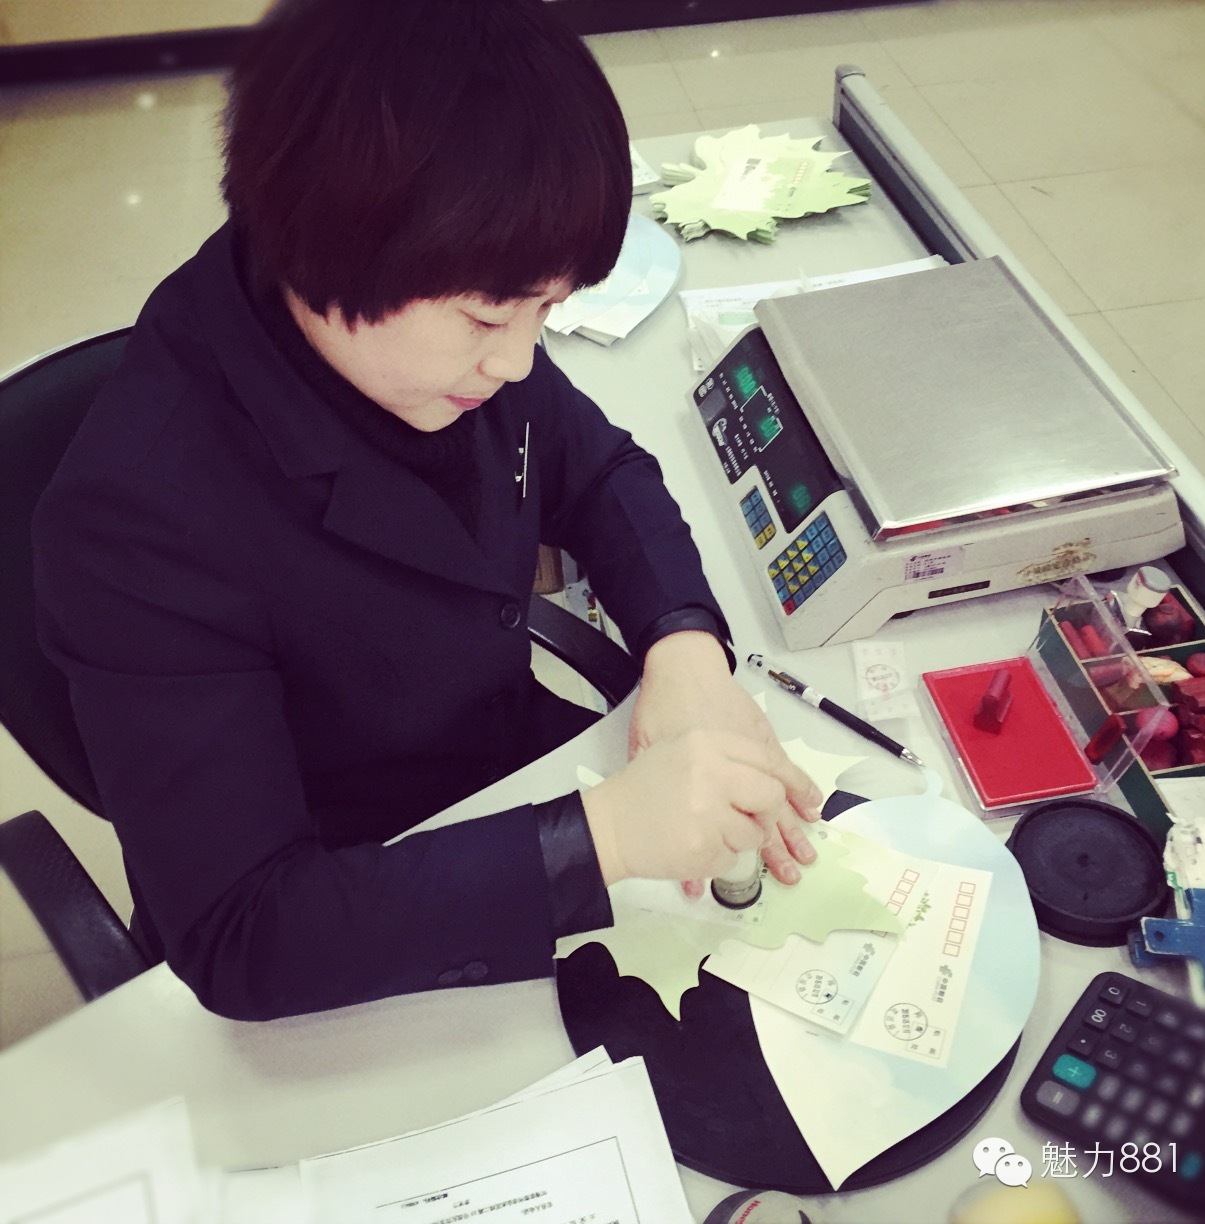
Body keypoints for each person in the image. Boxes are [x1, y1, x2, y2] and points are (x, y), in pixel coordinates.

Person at [33, 0, 821, 1022]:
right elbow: (241, 935)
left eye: (547, 310)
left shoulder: (437, 320)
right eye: (491, 317)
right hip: (358, 906)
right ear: (328, 248)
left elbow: (599, 470)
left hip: (502, 772)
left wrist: (683, 648)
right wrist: (605, 839)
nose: (520, 361)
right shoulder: (134, 521)